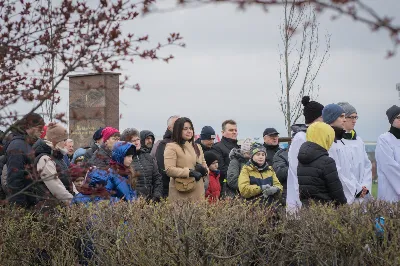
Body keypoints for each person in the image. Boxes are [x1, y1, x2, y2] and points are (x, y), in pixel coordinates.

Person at [286, 96, 324, 212]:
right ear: (317, 118)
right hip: (302, 189)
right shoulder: (301, 137)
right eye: (323, 117)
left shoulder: (317, 135)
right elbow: (295, 165)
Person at [297, 122, 347, 206]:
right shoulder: (327, 162)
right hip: (324, 212)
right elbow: (337, 193)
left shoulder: (302, 159)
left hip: (307, 211)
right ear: (326, 138)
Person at [323, 103, 362, 204]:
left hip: (352, 191)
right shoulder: (329, 143)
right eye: (341, 116)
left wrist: (359, 187)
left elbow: (349, 170)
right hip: (340, 197)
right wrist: (355, 190)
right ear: (332, 118)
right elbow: (337, 173)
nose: (344, 120)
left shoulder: (340, 142)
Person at [164, 117, 208, 202]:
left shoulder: (197, 146)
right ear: (178, 130)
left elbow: (205, 166)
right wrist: (189, 172)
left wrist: (204, 170)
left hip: (198, 190)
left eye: (191, 128)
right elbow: (169, 170)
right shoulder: (171, 147)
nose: (189, 131)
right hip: (181, 191)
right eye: (185, 129)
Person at [6, 112, 45, 208]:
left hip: (29, 203)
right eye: (40, 128)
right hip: (22, 206)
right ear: (29, 126)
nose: (42, 131)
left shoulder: (25, 145)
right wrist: (20, 208)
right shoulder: (17, 147)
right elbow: (14, 180)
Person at [33, 123, 76, 206]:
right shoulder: (44, 159)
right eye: (64, 140)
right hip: (50, 209)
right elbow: (56, 188)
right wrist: (73, 202)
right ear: (55, 141)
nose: (65, 143)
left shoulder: (58, 156)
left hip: (61, 206)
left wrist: (77, 196)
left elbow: (68, 180)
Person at [338, 102, 372, 203]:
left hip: (363, 192)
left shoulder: (359, 141)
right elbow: (341, 171)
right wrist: (356, 189)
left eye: (356, 117)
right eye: (351, 117)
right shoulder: (337, 141)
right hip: (347, 193)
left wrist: (365, 187)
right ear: (343, 118)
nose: (354, 121)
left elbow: (367, 165)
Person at [121, 128, 162, 201]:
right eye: (133, 141)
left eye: (137, 139)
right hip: (134, 203)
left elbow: (157, 178)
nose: (136, 143)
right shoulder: (124, 160)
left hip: (151, 202)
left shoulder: (148, 157)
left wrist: (156, 196)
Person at [151, 115, 180, 198]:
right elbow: (162, 171)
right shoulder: (162, 145)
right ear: (169, 127)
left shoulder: (187, 144)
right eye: (176, 124)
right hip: (169, 191)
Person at [376, 105, 400, 202]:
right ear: (391, 120)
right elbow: (389, 166)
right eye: (398, 117)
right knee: (388, 216)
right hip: (390, 190)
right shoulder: (384, 139)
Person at [211, 119, 239, 198]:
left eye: (235, 130)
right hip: (225, 188)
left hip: (241, 186)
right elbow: (220, 168)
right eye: (231, 130)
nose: (234, 132)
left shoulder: (240, 148)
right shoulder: (217, 148)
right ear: (223, 132)